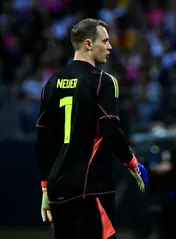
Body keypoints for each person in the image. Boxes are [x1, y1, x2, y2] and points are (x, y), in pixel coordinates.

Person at [35, 18, 148, 239]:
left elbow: (41, 141)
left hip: (58, 188)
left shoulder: (51, 83)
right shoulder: (103, 81)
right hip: (91, 187)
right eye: (105, 41)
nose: (110, 47)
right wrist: (132, 164)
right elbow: (111, 131)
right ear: (88, 44)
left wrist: (46, 188)